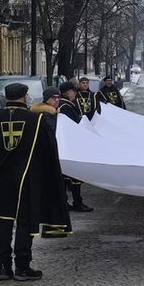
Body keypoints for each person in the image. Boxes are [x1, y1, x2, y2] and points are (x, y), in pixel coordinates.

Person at [0, 82, 72, 282]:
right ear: (24, 97)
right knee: (24, 223)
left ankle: (4, 267)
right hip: (26, 181)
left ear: (7, 97)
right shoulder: (36, 120)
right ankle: (22, 266)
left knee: (2, 223)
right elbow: (48, 151)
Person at [56, 82, 91, 212]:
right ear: (66, 92)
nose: (75, 94)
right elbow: (70, 125)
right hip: (71, 145)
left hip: (68, 145)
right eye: (73, 91)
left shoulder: (65, 105)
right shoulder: (65, 106)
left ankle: (66, 202)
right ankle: (76, 202)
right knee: (74, 177)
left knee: (66, 176)